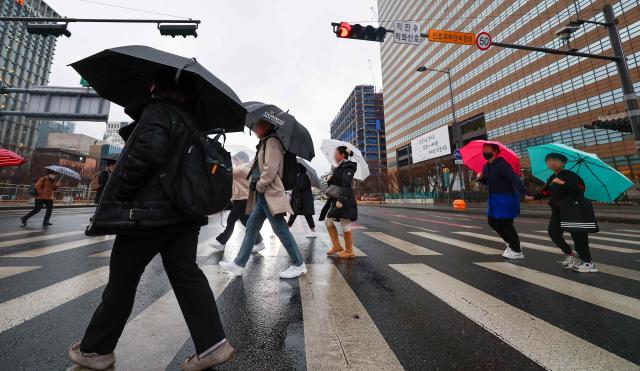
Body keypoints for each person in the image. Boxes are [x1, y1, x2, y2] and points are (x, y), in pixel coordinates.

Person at [68, 69, 234, 371]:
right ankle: (214, 345)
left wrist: (119, 193)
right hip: (184, 215)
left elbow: (142, 158)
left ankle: (96, 350)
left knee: (122, 282)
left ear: (160, 87)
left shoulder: (159, 113)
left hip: (148, 216)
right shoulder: (191, 121)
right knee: (187, 277)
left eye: (153, 82)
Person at [219, 120, 306, 279]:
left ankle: (299, 264)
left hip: (268, 191)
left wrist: (260, 185)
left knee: (280, 228)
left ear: (266, 126)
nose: (254, 128)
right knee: (252, 226)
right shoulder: (265, 142)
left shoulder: (272, 142)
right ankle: (239, 264)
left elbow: (270, 168)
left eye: (257, 125)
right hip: (263, 193)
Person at [525, 153, 597, 272]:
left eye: (555, 160)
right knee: (553, 232)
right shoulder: (552, 177)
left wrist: (564, 183)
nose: (551, 162)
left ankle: (588, 263)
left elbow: (580, 190)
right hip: (558, 210)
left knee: (578, 236)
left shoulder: (571, 175)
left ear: (563, 163)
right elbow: (546, 192)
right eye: (548, 160)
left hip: (573, 210)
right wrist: (533, 197)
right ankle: (570, 253)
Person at [476, 143, 526, 259]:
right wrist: (481, 179)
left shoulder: (501, 163)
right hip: (494, 198)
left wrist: (524, 192)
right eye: (483, 150)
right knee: (492, 222)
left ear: (494, 152)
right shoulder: (486, 165)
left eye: (486, 150)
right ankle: (510, 243)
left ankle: (517, 250)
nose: (484, 152)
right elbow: (488, 182)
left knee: (505, 223)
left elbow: (513, 177)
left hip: (505, 197)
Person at [209, 151, 265, 252]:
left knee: (247, 223)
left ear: (243, 159)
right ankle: (221, 242)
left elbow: (226, 174)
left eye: (236, 159)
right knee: (231, 221)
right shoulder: (247, 168)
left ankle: (259, 242)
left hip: (242, 199)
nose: (235, 162)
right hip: (240, 199)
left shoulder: (242, 168)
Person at [320, 146, 358, 259]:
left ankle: (349, 250)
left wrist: (341, 199)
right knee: (331, 221)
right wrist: (330, 178)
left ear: (342, 155)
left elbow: (346, 183)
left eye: (335, 153)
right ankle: (337, 246)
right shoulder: (341, 167)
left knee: (342, 223)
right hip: (340, 198)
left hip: (344, 199)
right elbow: (339, 182)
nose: (334, 156)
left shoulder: (348, 166)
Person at [287, 162, 317, 238]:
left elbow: (300, 187)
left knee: (307, 216)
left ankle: (313, 232)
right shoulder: (300, 176)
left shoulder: (304, 177)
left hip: (303, 201)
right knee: (294, 215)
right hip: (300, 201)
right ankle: (287, 229)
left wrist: (294, 182)